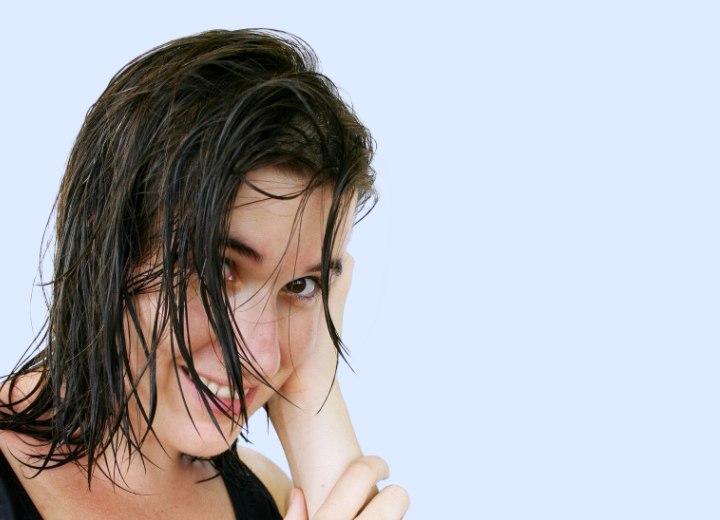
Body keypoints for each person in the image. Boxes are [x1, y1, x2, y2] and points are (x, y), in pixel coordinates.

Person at [0, 29, 408, 519]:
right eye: (218, 270)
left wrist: (310, 392)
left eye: (301, 285)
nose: (261, 356)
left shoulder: (271, 497)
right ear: (106, 242)